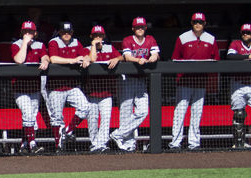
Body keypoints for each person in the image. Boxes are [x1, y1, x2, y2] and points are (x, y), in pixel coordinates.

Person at [170, 12, 219, 151]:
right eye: (195, 22)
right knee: (180, 112)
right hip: (184, 81)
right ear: (191, 23)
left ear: (205, 24)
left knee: (197, 113)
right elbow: (175, 58)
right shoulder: (183, 37)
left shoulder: (211, 38)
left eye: (200, 22)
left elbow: (216, 60)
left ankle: (194, 142)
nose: (198, 24)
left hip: (201, 82)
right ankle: (175, 143)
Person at [110, 16, 160, 152]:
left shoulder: (150, 39)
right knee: (125, 112)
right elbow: (127, 57)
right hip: (127, 79)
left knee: (143, 111)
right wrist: (138, 60)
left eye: (142, 27)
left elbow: (156, 53)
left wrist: (152, 57)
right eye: (137, 27)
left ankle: (118, 134)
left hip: (140, 79)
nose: (140, 29)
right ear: (133, 28)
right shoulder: (127, 40)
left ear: (145, 28)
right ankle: (128, 145)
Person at [46, 21, 93, 151]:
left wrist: (86, 58)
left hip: (72, 85)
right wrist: (72, 60)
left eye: (69, 32)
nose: (66, 34)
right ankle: (59, 146)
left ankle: (68, 131)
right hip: (56, 87)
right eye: (63, 32)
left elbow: (85, 54)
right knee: (56, 118)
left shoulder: (76, 42)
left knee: (85, 107)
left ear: (72, 32)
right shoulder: (54, 42)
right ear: (59, 32)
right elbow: (53, 59)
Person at [10, 20, 50, 154]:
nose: (28, 34)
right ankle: (33, 144)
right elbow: (19, 60)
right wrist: (25, 44)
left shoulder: (39, 44)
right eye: (25, 32)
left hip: (34, 88)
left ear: (35, 33)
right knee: (28, 114)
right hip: (20, 88)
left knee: (32, 117)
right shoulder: (16, 44)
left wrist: (45, 60)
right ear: (21, 33)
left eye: (30, 32)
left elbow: (45, 56)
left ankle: (23, 144)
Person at [84, 25, 122, 153]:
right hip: (92, 91)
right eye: (96, 35)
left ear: (104, 36)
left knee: (106, 119)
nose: (98, 37)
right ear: (91, 36)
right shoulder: (87, 49)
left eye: (100, 35)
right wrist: (94, 46)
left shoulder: (110, 48)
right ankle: (95, 144)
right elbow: (91, 58)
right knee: (92, 120)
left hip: (107, 91)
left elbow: (122, 57)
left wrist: (116, 58)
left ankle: (103, 144)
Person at [226, 22, 251, 149]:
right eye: (244, 32)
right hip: (238, 83)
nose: (246, 34)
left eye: (248, 32)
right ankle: (239, 142)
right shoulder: (236, 43)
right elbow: (230, 56)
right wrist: (248, 56)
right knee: (239, 113)